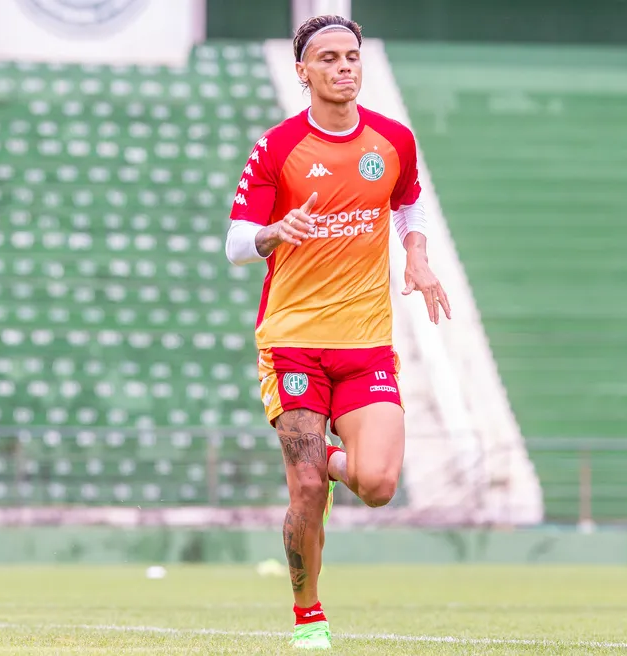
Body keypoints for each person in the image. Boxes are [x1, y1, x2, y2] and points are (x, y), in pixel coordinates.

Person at [224, 14, 451, 650]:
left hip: (365, 342)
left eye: (351, 56)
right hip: (293, 340)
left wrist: (417, 255)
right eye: (328, 58)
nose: (344, 67)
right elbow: (236, 243)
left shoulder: (393, 140)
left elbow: (408, 199)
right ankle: (309, 617)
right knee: (305, 487)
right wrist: (274, 232)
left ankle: (315, 455)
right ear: (302, 71)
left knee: (378, 485)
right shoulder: (277, 148)